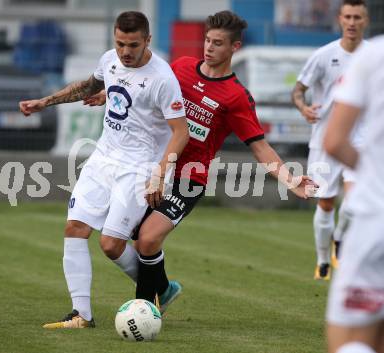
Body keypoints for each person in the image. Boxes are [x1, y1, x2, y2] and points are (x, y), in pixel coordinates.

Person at [85, 10, 317, 310]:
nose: (209, 48)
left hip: (189, 178)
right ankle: (164, 290)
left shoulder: (236, 97)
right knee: (115, 241)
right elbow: (148, 87)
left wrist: (290, 179)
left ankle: (144, 310)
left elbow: (259, 147)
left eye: (218, 43)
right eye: (207, 40)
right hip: (152, 166)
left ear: (235, 48)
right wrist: (109, 93)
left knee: (147, 239)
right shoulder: (180, 68)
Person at [19, 11, 189, 328]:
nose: (125, 51)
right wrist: (45, 101)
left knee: (110, 245)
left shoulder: (162, 78)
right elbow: (89, 86)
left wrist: (160, 173)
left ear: (147, 40)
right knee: (75, 228)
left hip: (139, 166)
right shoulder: (110, 59)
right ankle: (81, 314)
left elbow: (181, 132)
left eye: (133, 45)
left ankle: (160, 289)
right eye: (120, 43)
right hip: (103, 157)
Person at [291, 0, 368, 280]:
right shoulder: (324, 55)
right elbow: (298, 90)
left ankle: (340, 238)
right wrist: (303, 107)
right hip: (325, 140)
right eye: (347, 16)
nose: (352, 22)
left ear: (365, 21)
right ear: (339, 19)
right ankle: (323, 259)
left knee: (356, 197)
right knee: (325, 203)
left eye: (357, 17)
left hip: (361, 141)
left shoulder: (373, 56)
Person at [323, 35, 384, 353]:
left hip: (376, 217)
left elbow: (333, 141)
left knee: (350, 342)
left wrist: (371, 171)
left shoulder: (372, 55)